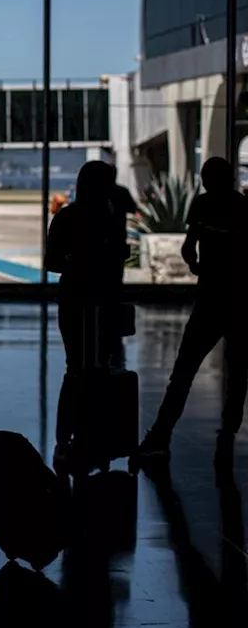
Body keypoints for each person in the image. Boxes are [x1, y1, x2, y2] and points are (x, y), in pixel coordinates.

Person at [135, 156, 247, 467]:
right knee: (237, 374)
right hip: (238, 301)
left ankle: (159, 437)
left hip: (210, 301)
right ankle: (226, 436)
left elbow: (189, 245)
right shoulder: (242, 208)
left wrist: (194, 262)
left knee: (183, 373)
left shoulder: (202, 205)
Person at [46, 161, 128, 469]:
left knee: (79, 368)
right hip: (90, 297)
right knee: (88, 368)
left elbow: (53, 261)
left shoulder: (78, 216)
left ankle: (69, 436)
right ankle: (81, 436)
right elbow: (52, 260)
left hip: (82, 297)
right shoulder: (98, 216)